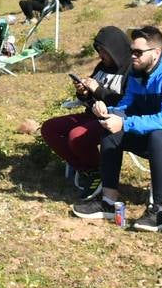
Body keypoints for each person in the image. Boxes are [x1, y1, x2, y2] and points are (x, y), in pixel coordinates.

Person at [70, 26, 162, 231]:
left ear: (156, 53)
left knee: (159, 137)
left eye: (138, 53)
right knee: (111, 129)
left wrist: (124, 122)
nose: (132, 56)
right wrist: (108, 111)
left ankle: (160, 212)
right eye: (132, 50)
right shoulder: (136, 71)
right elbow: (126, 106)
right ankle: (108, 201)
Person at [40, 27, 130, 195]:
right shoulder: (101, 67)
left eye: (104, 52)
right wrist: (83, 93)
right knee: (49, 128)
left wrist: (98, 90)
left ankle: (99, 172)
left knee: (76, 136)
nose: (101, 56)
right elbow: (90, 100)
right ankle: (88, 169)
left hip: (113, 118)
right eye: (99, 51)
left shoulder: (130, 70)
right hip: (91, 114)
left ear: (115, 49)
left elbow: (125, 102)